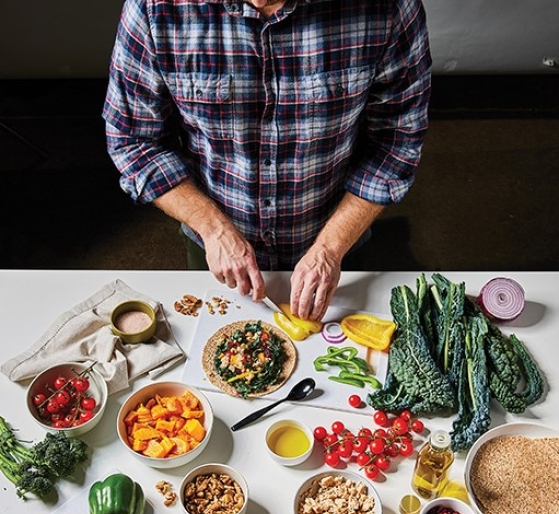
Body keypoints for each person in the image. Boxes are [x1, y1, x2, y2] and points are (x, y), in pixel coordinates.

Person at [103, 0, 432, 320]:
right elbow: (133, 141)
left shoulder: (389, 8)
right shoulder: (154, 8)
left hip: (338, 242)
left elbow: (396, 142)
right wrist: (212, 228)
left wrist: (330, 250)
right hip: (214, 246)